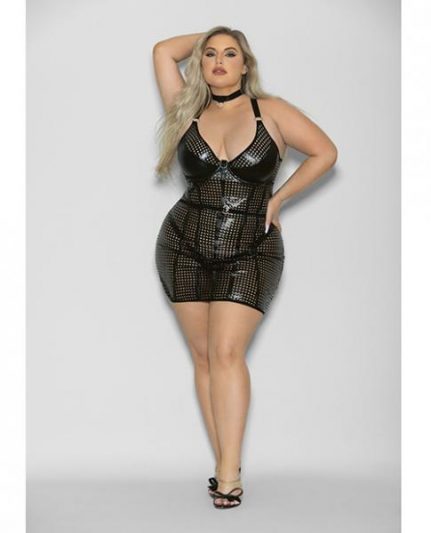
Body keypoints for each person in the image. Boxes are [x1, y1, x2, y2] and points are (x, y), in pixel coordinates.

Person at [152, 26, 337, 509]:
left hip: (252, 249)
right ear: (200, 63)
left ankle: (229, 474)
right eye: (210, 54)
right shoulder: (187, 110)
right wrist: (215, 29)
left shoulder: (269, 111)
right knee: (204, 357)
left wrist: (279, 199)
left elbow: (326, 152)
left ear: (245, 64)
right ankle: (224, 464)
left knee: (227, 352)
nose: (218, 61)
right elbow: (163, 51)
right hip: (182, 246)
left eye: (230, 53)